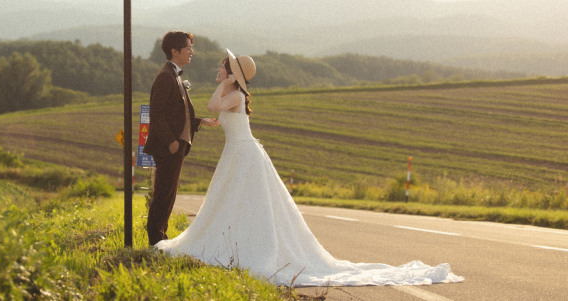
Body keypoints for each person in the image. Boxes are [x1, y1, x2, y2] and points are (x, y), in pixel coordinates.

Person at [156, 49, 464, 287]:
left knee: (243, 204)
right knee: (235, 204)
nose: (218, 70)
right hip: (238, 153)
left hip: (244, 155)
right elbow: (218, 114)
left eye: (223, 67)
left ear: (232, 73)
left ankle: (245, 249)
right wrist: (217, 112)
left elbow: (213, 105)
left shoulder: (234, 92)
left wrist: (224, 85)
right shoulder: (233, 92)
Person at [144, 31, 218, 246]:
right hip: (169, 147)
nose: (191, 52)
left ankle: (160, 240)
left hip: (176, 146)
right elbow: (156, 114)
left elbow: (177, 113)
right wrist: (171, 141)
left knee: (168, 196)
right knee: (163, 196)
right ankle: (156, 242)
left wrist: (198, 121)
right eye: (187, 49)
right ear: (174, 51)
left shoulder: (174, 74)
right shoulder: (166, 77)